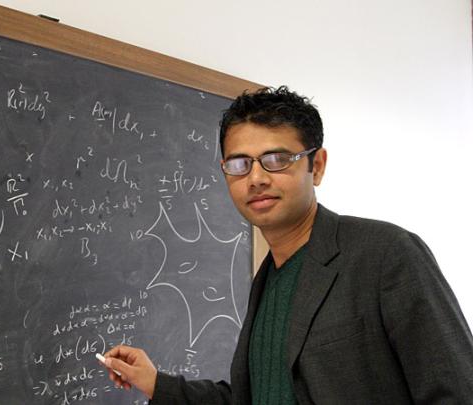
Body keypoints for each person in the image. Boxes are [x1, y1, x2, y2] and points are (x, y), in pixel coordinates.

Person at [101, 86, 473, 404]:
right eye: (239, 164)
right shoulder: (269, 278)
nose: (256, 178)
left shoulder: (386, 254)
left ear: (318, 165)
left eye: (277, 160)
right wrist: (158, 384)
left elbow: (456, 390)